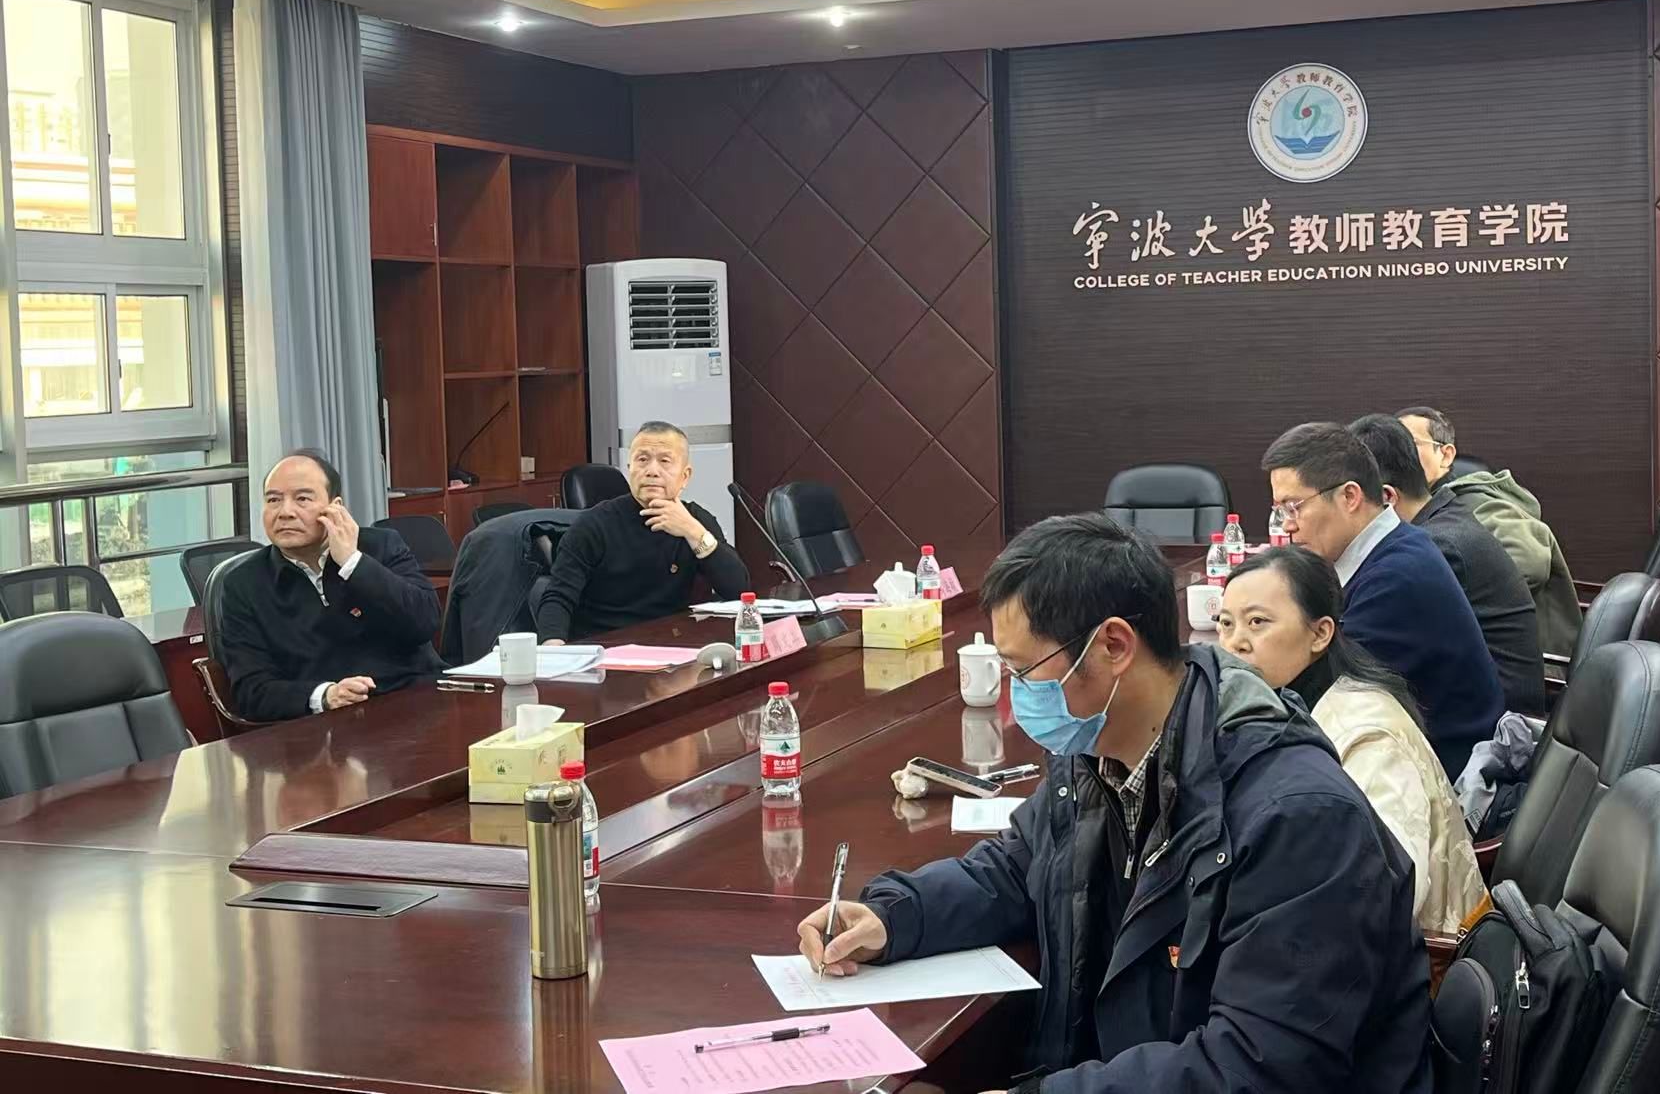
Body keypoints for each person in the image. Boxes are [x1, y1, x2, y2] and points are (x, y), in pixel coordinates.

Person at [796, 513, 1431, 1094]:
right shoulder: (1095, 751)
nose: (1016, 694)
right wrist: (895, 918)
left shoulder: (1297, 816)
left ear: (1114, 646)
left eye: (1024, 671)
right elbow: (1019, 868)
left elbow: (1258, 1067)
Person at [1218, 546, 1491, 934]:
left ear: (1320, 633)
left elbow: (1385, 897)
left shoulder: (1368, 735)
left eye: (1257, 622)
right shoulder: (1282, 706)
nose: (1235, 643)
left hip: (1424, 958)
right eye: (1226, 624)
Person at [1263, 421, 1502, 777]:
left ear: (1350, 497)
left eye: (1293, 506)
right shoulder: (1393, 547)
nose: (1287, 525)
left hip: (1441, 777)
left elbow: (1317, 697)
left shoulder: (1396, 578)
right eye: (1280, 511)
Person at [219, 450, 442, 722]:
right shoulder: (243, 584)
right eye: (273, 500)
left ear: (335, 507)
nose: (285, 512)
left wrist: (353, 563)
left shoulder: (381, 546)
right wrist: (324, 696)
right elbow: (251, 691)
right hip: (325, 727)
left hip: (416, 704)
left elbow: (424, 622)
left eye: (302, 499)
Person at [1350, 413, 1545, 715]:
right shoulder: (1444, 517)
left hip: (1499, 725)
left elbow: (1362, 651)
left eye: (1349, 498)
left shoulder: (1434, 547)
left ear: (1386, 497)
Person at [536, 421, 749, 643]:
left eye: (664, 461)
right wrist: (554, 648)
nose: (652, 471)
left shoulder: (696, 521)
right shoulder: (594, 524)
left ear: (685, 476)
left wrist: (692, 532)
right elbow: (558, 596)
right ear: (630, 469)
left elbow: (738, 590)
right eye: (642, 460)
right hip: (606, 647)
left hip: (672, 646)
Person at [1399, 405, 1583, 658]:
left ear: (1446, 455)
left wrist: (1445, 601)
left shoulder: (1477, 503)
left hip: (1535, 663)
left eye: (1408, 445)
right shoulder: (1415, 507)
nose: (1396, 457)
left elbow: (1532, 561)